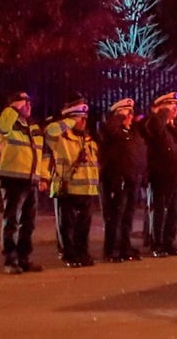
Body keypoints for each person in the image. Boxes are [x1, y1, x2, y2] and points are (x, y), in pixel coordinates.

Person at [0, 91, 48, 275]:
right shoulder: (8, 122)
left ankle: (24, 258)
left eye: (29, 102)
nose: (29, 105)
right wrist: (13, 109)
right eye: (24, 102)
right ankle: (10, 259)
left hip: (31, 179)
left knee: (28, 222)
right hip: (13, 179)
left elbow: (41, 153)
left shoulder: (33, 126)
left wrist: (42, 176)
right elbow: (1, 127)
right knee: (12, 221)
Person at [47, 96, 99, 267]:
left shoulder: (88, 139)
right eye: (79, 118)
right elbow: (49, 130)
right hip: (67, 188)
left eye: (85, 118)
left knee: (83, 227)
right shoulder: (61, 137)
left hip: (87, 189)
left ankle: (82, 253)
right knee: (66, 226)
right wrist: (69, 121)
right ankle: (68, 255)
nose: (83, 121)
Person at [99, 97, 145, 262]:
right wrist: (118, 117)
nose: (130, 118)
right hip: (116, 180)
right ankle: (111, 249)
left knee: (127, 216)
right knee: (114, 216)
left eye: (130, 114)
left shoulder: (131, 133)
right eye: (126, 114)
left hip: (132, 179)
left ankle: (124, 246)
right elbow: (109, 130)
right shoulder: (111, 131)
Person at [145, 91, 177, 257]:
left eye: (175, 105)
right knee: (160, 210)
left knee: (174, 210)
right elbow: (156, 132)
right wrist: (162, 114)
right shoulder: (154, 123)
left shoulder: (175, 127)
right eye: (169, 105)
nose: (173, 108)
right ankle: (157, 244)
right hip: (160, 174)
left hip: (175, 174)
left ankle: (168, 242)